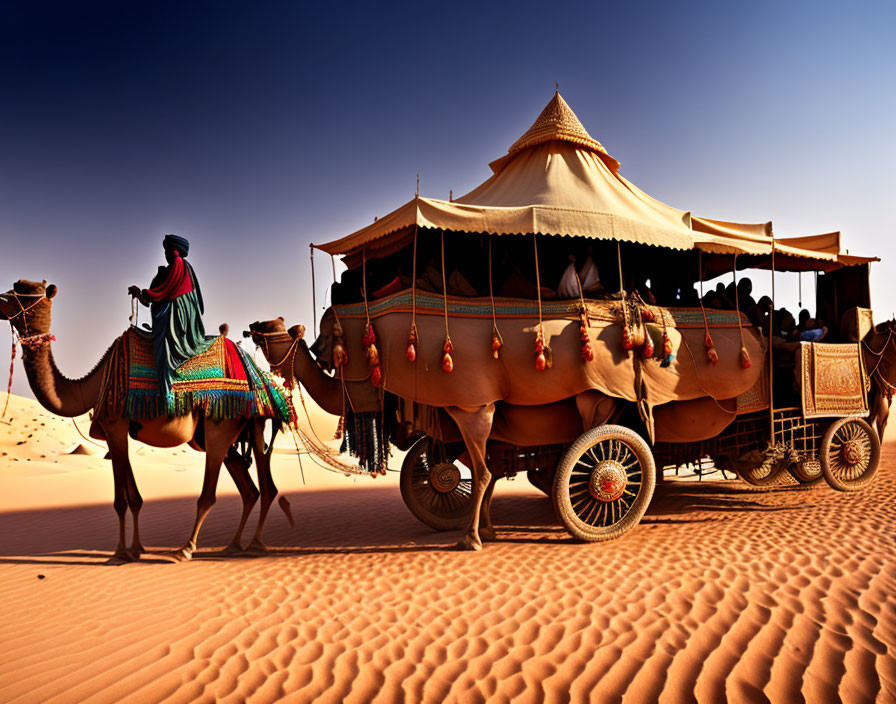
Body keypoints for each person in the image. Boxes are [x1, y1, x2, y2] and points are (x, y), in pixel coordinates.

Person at [128, 234, 210, 399]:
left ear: (174, 251)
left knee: (165, 347)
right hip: (170, 308)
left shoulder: (178, 264)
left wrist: (146, 293)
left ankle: (167, 391)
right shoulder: (174, 267)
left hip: (175, 313)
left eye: (167, 251)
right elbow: (156, 296)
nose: (165, 254)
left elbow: (166, 290)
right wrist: (142, 294)